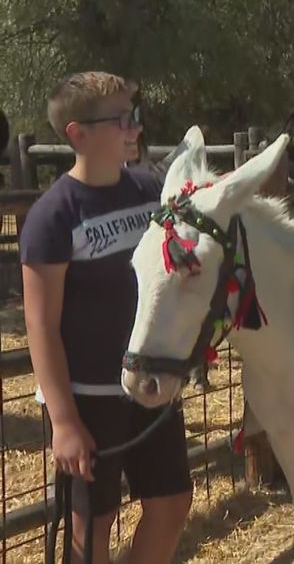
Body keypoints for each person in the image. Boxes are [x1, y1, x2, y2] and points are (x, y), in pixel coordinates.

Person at [21, 72, 192, 563]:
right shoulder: (52, 218)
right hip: (88, 401)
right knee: (92, 527)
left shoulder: (150, 191)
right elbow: (41, 327)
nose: (134, 127)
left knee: (172, 503)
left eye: (134, 116)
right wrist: (65, 421)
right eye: (122, 118)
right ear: (78, 133)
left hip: (151, 384)